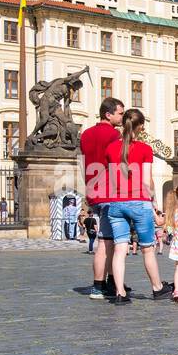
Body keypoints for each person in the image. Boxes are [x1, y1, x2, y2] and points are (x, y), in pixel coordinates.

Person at [102, 109, 174, 303]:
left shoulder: (110, 148)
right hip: (139, 202)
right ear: (140, 126)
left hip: (116, 203)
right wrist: (155, 207)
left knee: (119, 248)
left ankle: (120, 293)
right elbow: (146, 181)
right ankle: (158, 288)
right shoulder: (144, 149)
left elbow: (111, 179)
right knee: (147, 248)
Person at [81, 97, 125, 299]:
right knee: (105, 241)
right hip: (109, 192)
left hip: (93, 190)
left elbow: (84, 163)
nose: (122, 117)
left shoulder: (86, 134)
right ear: (108, 114)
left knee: (111, 241)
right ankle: (98, 286)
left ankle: (110, 281)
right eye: (120, 113)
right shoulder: (114, 135)